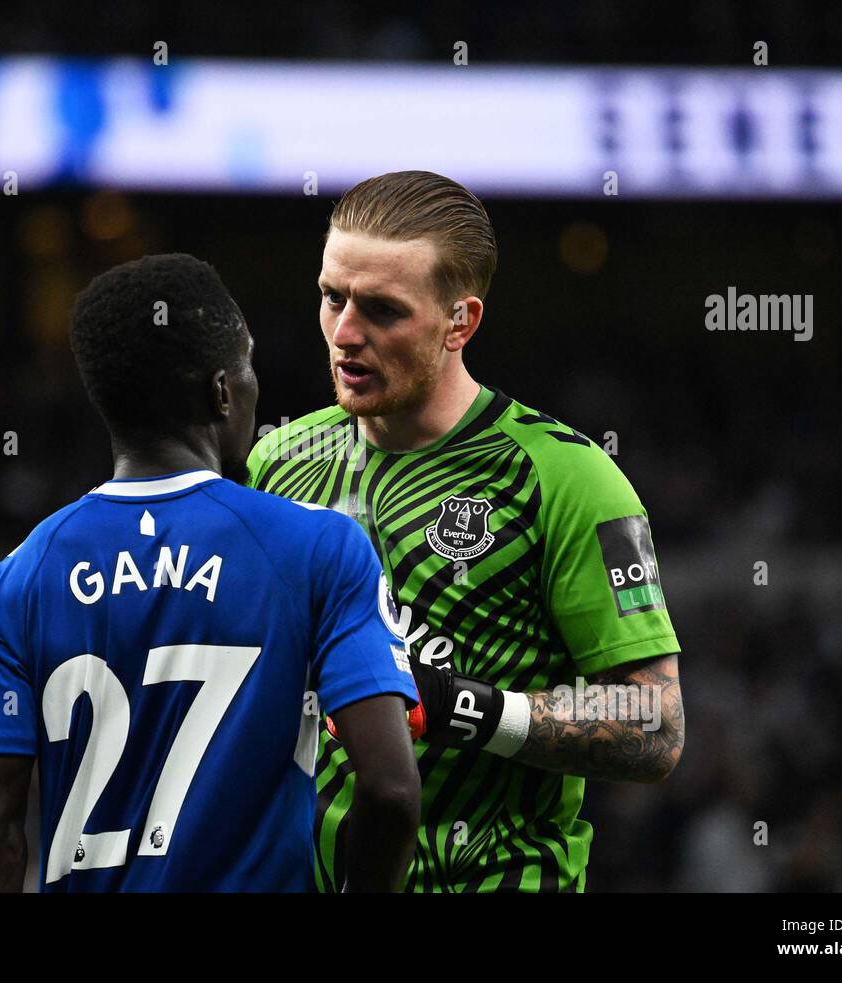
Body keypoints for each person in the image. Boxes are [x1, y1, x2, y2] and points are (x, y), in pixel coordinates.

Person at [248, 172, 686, 892]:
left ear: (461, 321)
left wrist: (467, 709)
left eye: (384, 310)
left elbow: (657, 725)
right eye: (333, 298)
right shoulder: (279, 459)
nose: (346, 333)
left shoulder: (570, 478)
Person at [0, 253, 421, 892]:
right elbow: (389, 789)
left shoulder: (10, 585)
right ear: (222, 391)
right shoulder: (321, 549)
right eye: (247, 365)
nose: (255, 385)